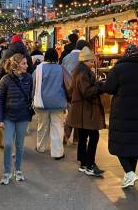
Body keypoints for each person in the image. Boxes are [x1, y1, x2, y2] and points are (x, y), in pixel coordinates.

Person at [103, 44, 138, 188]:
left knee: (119, 145)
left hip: (122, 113)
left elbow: (109, 88)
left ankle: (129, 173)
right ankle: (130, 176)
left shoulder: (118, 69)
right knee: (133, 146)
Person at [0, 54, 34, 185]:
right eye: (24, 63)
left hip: (22, 116)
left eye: (26, 63)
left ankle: (18, 169)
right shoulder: (5, 80)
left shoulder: (29, 78)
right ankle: (7, 172)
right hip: (8, 117)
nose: (27, 66)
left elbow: (30, 96)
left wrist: (29, 114)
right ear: (16, 65)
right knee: (7, 144)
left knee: (19, 145)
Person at [67, 47, 106, 177]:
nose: (93, 63)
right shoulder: (84, 74)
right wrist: (99, 85)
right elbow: (87, 92)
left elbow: (72, 91)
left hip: (80, 111)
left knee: (83, 137)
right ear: (86, 61)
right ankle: (90, 165)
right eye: (91, 61)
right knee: (94, 136)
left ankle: (84, 164)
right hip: (86, 111)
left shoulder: (78, 72)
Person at [32, 48, 70, 160]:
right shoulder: (61, 69)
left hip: (41, 102)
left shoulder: (39, 69)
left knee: (42, 125)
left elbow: (33, 85)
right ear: (56, 57)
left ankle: (40, 147)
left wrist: (32, 98)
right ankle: (57, 152)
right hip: (58, 102)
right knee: (57, 126)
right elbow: (68, 84)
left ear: (45, 57)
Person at [60, 39, 88, 144]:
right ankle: (74, 137)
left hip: (67, 89)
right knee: (77, 112)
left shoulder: (66, 57)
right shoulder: (83, 58)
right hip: (79, 88)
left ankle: (69, 135)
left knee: (73, 111)